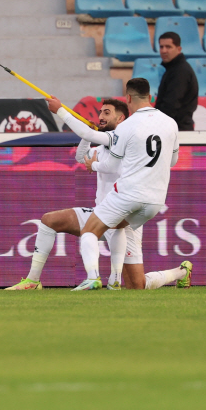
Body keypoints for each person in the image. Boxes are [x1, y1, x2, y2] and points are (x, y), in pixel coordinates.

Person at [6, 99, 192, 291]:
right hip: (101, 213)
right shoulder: (103, 146)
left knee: (137, 286)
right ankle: (33, 280)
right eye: (100, 112)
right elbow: (80, 156)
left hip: (125, 220)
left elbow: (106, 161)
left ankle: (180, 272)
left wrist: (64, 113)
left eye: (107, 113)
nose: (101, 117)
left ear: (121, 119)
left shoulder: (129, 145)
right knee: (49, 220)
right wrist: (88, 136)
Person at [47, 78, 180, 291]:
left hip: (128, 195)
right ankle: (116, 280)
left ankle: (93, 277)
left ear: (127, 98)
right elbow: (172, 161)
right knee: (134, 276)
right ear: (151, 97)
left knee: (90, 231)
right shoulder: (171, 123)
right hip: (155, 201)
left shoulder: (126, 127)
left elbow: (111, 163)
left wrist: (61, 111)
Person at [155, 32, 198, 131]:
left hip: (177, 130)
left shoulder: (180, 71)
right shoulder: (174, 69)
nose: (164, 50)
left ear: (178, 49)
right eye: (161, 47)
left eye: (168, 47)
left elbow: (171, 104)